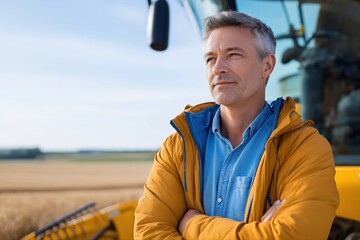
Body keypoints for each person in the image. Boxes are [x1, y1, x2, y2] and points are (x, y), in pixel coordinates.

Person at [134, 11, 339, 239]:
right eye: (210, 58)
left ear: (267, 66)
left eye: (233, 55)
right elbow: (148, 232)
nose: (218, 67)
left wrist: (192, 225)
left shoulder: (304, 147)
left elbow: (292, 236)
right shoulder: (178, 146)